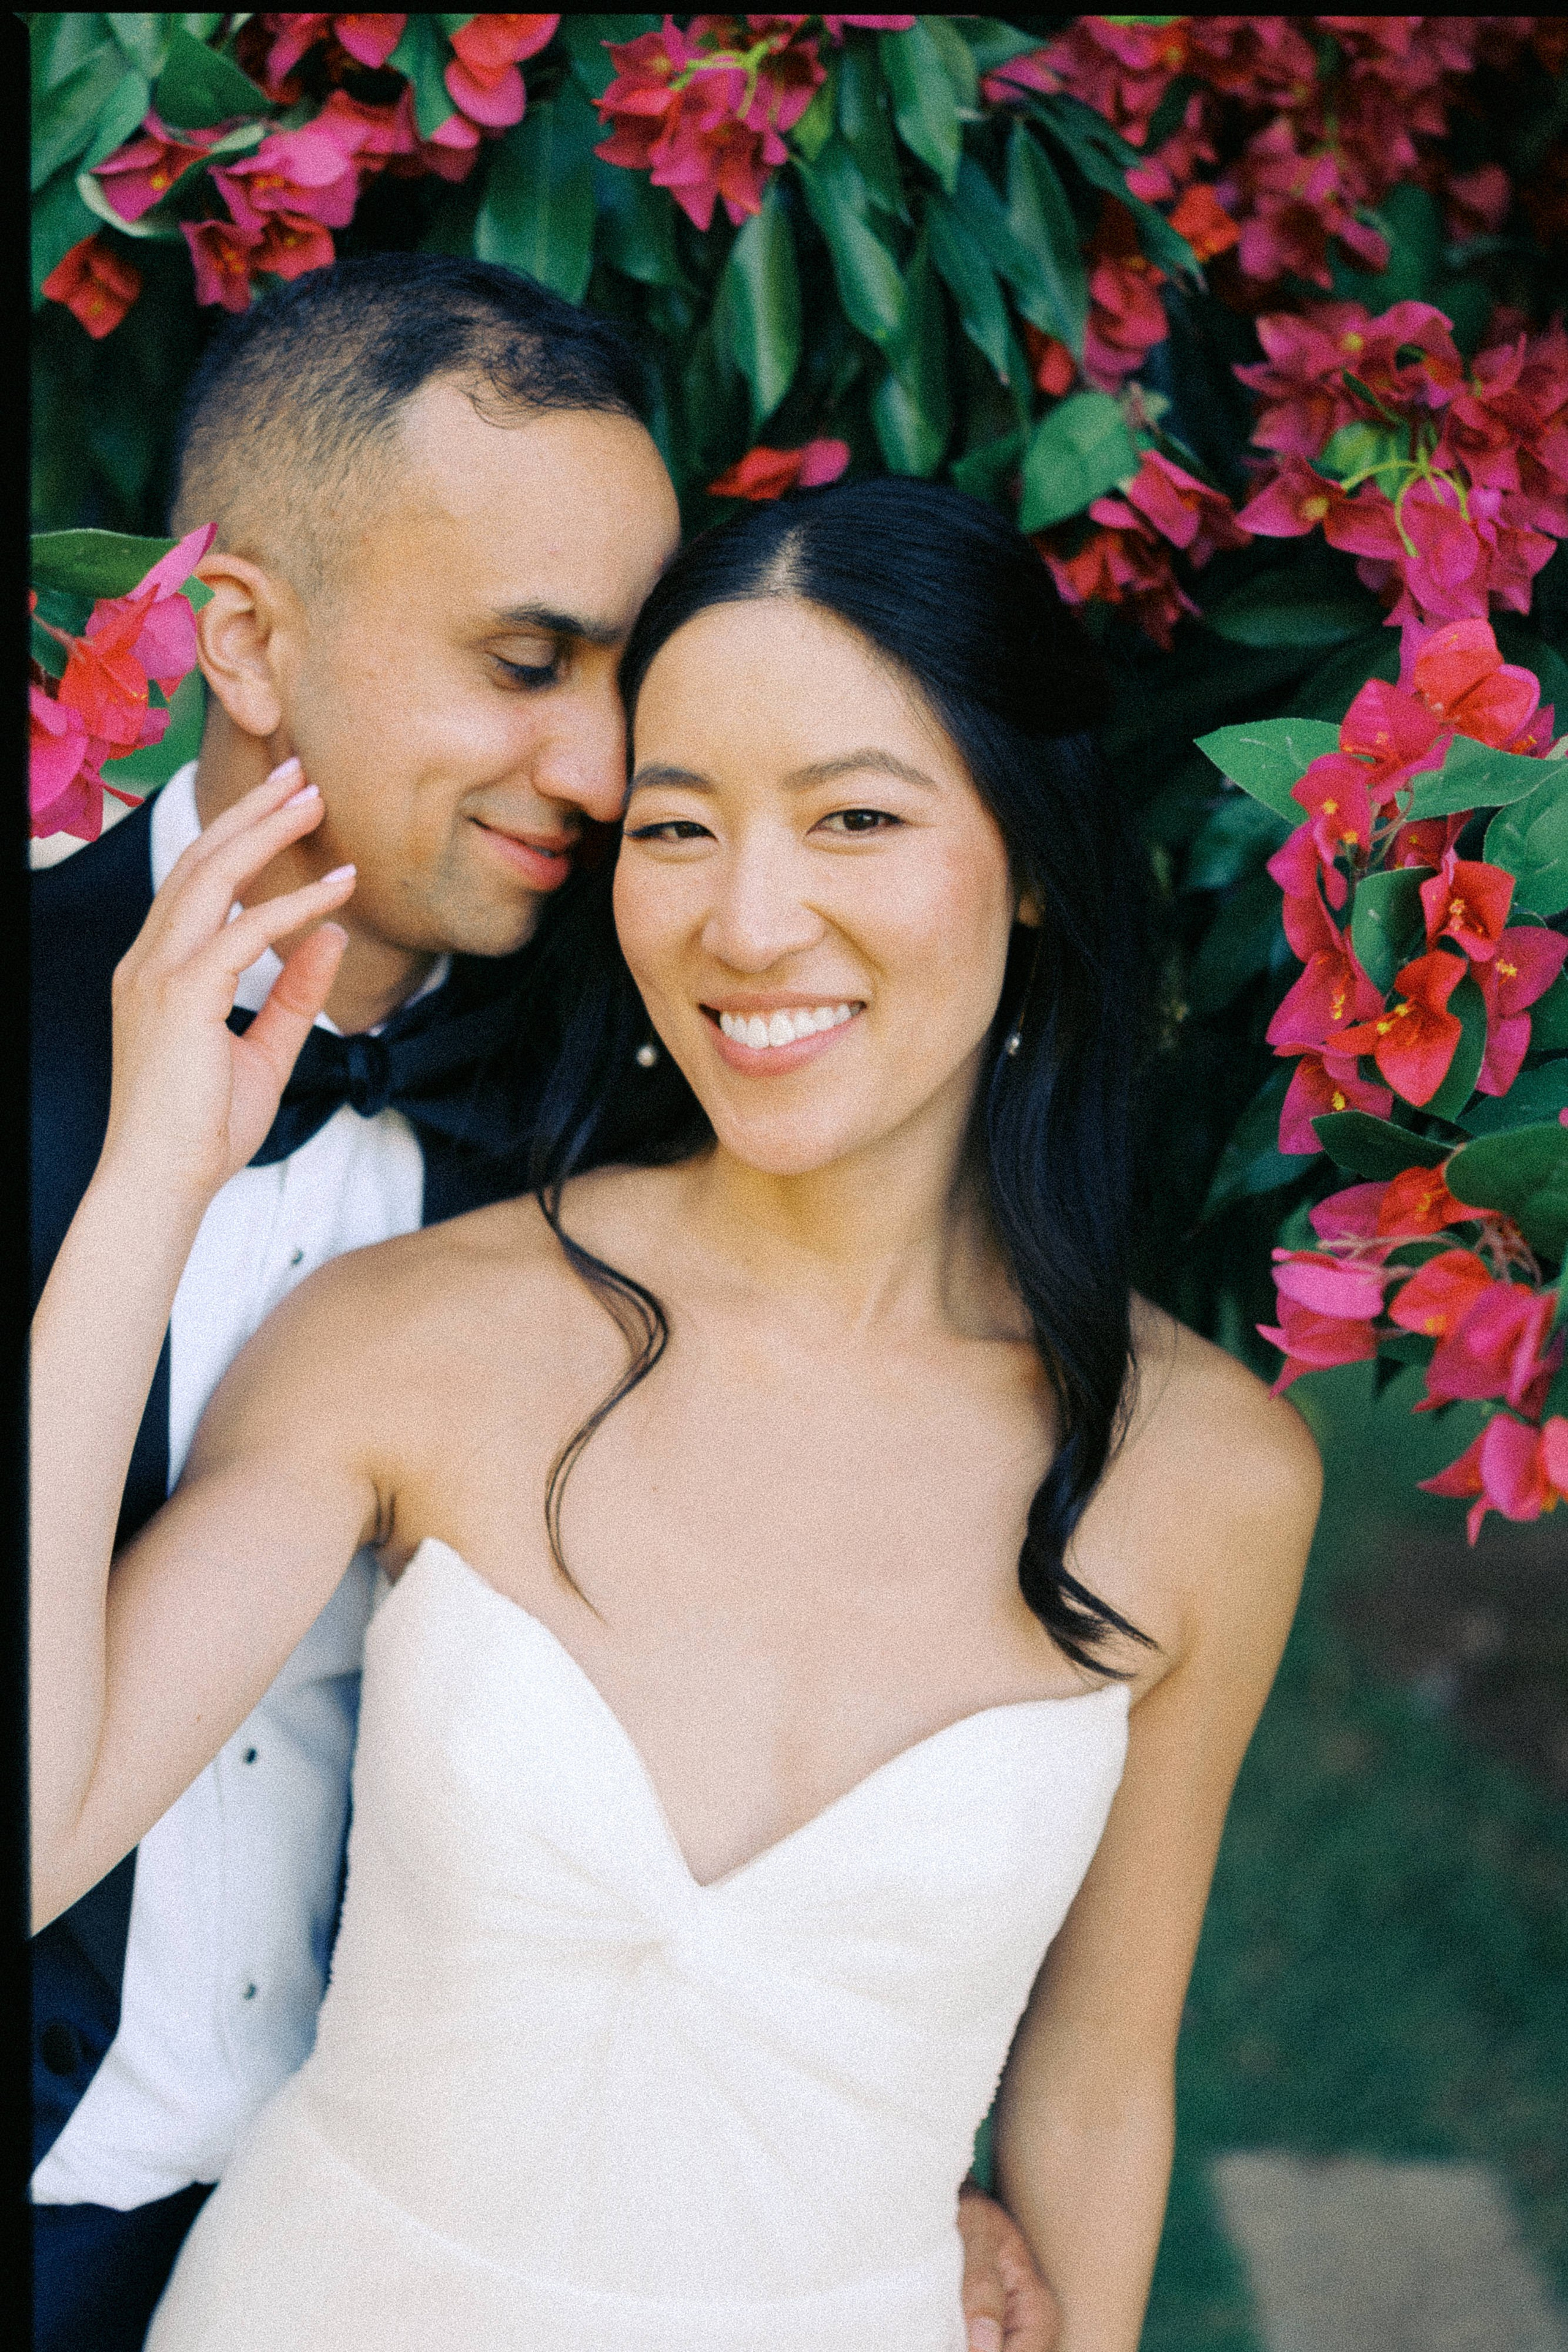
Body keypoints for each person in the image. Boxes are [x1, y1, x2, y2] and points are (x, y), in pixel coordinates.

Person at [33, 474, 1322, 2350]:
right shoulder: (419, 1335)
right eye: (677, 825)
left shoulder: (1206, 1477)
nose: (750, 919)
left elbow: (1100, 2081)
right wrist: (152, 1185)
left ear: (1033, 858)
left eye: (857, 818)